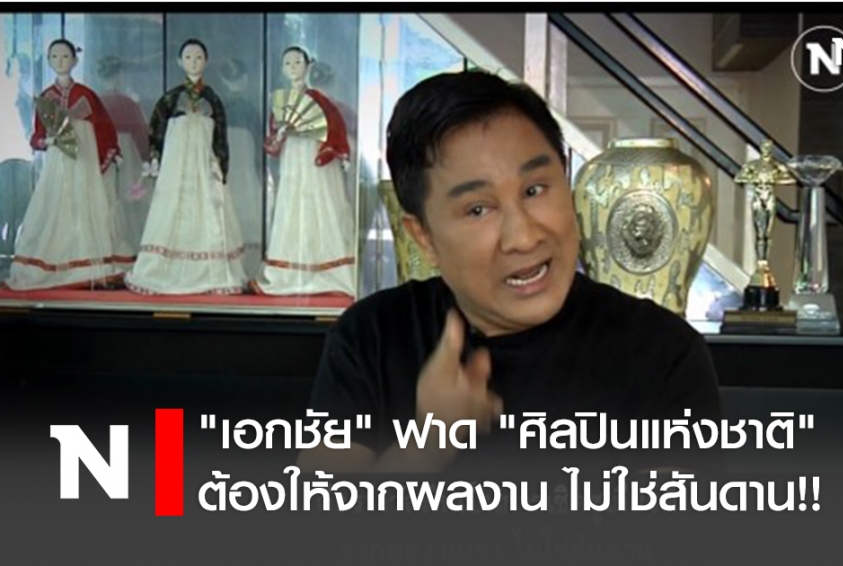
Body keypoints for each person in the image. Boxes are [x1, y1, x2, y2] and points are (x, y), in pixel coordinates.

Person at [297, 70, 721, 475]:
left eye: (535, 190)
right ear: (423, 236)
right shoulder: (371, 336)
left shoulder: (663, 352)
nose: (523, 237)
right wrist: (426, 448)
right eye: (478, 209)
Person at [125, 38, 247, 295]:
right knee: (172, 209)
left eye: (198, 57)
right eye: (188, 57)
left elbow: (220, 136)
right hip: (175, 167)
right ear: (180, 62)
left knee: (207, 210)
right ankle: (163, 270)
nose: (193, 62)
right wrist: (155, 158)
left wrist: (221, 163)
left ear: (206, 61)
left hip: (204, 164)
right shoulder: (170, 98)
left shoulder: (212, 99)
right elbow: (156, 131)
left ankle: (210, 273)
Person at [5, 39, 127, 291]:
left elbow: (104, 128)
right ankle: (54, 263)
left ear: (75, 60)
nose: (60, 61)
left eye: (64, 56)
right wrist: (48, 141)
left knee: (85, 205)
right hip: (58, 164)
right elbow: (37, 136)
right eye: (54, 56)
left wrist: (111, 151)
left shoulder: (86, 95)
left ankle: (88, 263)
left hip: (84, 161)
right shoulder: (46, 98)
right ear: (49, 60)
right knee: (55, 206)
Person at [251, 46, 356, 297]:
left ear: (308, 66)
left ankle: (328, 272)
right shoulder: (282, 103)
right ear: (282, 69)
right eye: (288, 63)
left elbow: (335, 127)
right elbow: (273, 142)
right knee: (292, 205)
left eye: (297, 62)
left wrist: (337, 150)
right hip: (292, 159)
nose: (293, 68)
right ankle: (288, 272)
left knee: (320, 204)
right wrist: (280, 133)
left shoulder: (319, 100)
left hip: (312, 156)